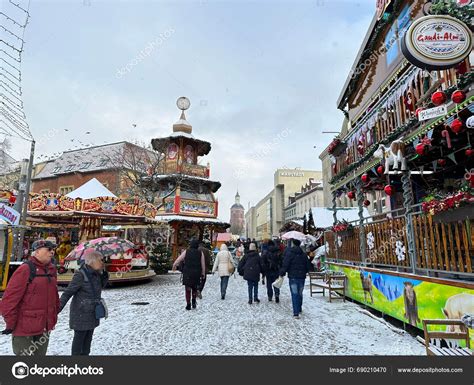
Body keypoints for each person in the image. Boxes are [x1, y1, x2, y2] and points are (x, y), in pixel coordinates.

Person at [0, 239, 59, 356]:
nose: (52, 252)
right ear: (36, 252)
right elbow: (9, 300)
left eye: (52, 249)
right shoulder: (25, 269)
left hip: (44, 327)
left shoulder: (51, 270)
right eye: (48, 249)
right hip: (24, 328)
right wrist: (11, 323)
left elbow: (55, 296)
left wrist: (53, 316)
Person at [59, 251, 109, 355]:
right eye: (101, 260)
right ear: (92, 261)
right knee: (79, 342)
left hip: (92, 313)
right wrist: (58, 308)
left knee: (87, 343)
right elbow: (68, 292)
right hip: (80, 314)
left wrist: (104, 275)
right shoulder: (80, 275)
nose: (102, 263)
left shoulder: (97, 274)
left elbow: (98, 289)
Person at [279, 239, 311, 319]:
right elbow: (308, 266)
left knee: (294, 294)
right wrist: (305, 271)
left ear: (293, 244)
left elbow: (285, 265)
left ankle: (296, 313)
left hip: (293, 277)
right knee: (300, 293)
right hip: (301, 277)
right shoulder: (303, 254)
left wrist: (282, 273)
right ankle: (299, 308)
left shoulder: (290, 254)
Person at [173, 239, 206, 310]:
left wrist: (174, 264)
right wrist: (203, 273)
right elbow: (203, 264)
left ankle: (188, 304)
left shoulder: (186, 251)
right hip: (196, 273)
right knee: (194, 288)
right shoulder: (200, 253)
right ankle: (193, 301)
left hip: (187, 272)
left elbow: (179, 259)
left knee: (187, 289)